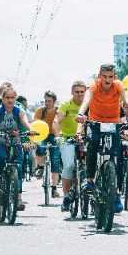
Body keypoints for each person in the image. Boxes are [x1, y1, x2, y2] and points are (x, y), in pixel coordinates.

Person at [75, 63, 128, 214]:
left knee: (117, 156)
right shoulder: (93, 85)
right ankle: (90, 180)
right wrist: (81, 113)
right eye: (104, 77)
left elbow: (127, 101)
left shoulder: (118, 86)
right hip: (95, 123)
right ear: (99, 77)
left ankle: (116, 193)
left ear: (115, 77)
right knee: (92, 145)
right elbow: (86, 101)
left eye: (110, 77)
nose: (107, 80)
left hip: (113, 124)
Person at [0, 87, 35, 210]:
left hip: (15, 142)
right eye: (7, 97)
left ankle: (18, 199)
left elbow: (25, 121)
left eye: (12, 98)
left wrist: (30, 129)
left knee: (17, 168)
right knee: (1, 159)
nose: (10, 100)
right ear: (2, 98)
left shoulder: (19, 110)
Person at [54, 81, 87, 213]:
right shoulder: (66, 105)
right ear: (72, 92)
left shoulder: (89, 105)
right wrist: (58, 138)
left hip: (85, 139)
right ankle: (66, 197)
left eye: (82, 92)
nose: (80, 94)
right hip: (68, 139)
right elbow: (57, 121)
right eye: (77, 92)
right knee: (68, 166)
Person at [33, 90, 61, 198]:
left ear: (54, 102)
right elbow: (35, 123)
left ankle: (54, 189)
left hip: (56, 135)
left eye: (49, 101)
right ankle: (40, 167)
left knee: (55, 159)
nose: (47, 103)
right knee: (39, 146)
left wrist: (60, 141)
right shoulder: (41, 111)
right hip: (43, 134)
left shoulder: (58, 111)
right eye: (45, 101)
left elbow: (61, 125)